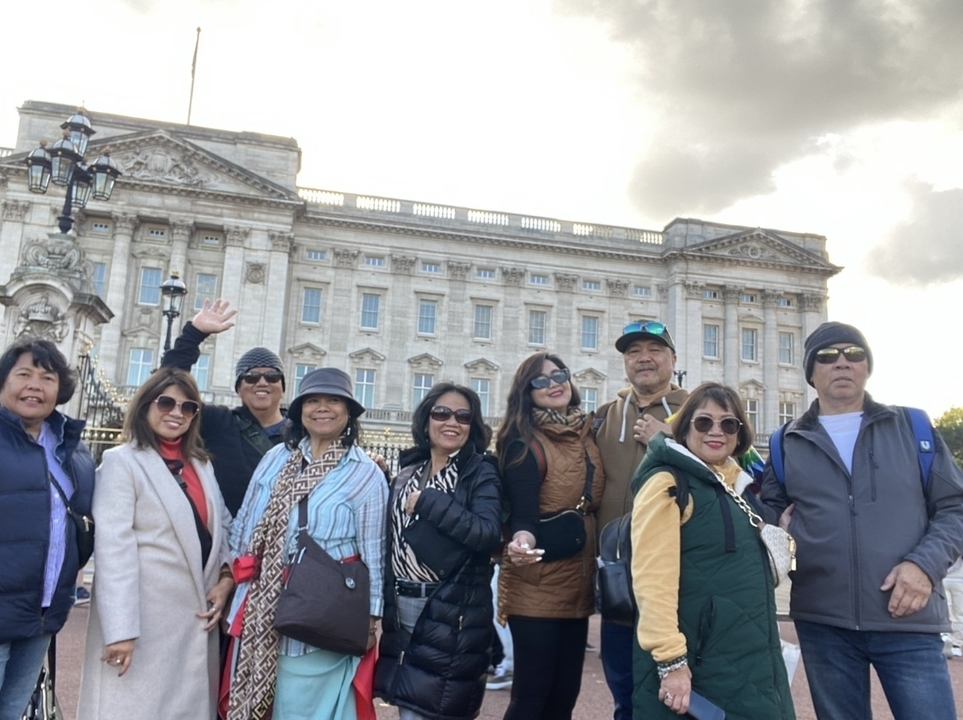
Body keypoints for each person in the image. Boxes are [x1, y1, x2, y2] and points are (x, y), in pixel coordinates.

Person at [760, 322, 963, 719]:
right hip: (823, 621)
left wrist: (924, 565)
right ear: (810, 372)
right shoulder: (784, 442)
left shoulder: (913, 427)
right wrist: (780, 534)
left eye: (853, 354)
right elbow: (768, 516)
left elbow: (955, 508)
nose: (841, 362)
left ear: (866, 367)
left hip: (908, 616)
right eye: (827, 356)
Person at [227, 368, 388, 720]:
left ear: (349, 412)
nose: (322, 408)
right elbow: (243, 527)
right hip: (260, 610)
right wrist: (228, 578)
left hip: (321, 615)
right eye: (313, 400)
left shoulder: (365, 474)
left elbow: (375, 554)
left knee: (304, 709)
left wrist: (372, 619)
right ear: (299, 410)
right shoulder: (275, 460)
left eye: (333, 400)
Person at [77, 367, 234, 720]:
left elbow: (223, 529)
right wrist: (119, 630)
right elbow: (114, 549)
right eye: (166, 403)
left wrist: (226, 580)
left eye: (188, 407)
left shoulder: (201, 465)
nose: (176, 413)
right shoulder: (122, 462)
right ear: (146, 406)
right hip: (144, 623)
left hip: (194, 624)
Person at [630, 383, 794, 718]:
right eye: (704, 422)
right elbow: (652, 581)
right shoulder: (667, 482)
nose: (716, 431)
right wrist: (671, 661)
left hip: (749, 655)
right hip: (698, 660)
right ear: (685, 426)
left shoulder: (737, 487)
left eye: (728, 423)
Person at [374, 382, 502, 719]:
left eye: (463, 416)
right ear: (426, 419)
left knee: (431, 709)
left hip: (449, 606)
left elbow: (487, 534)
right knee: (409, 705)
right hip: (399, 607)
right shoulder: (406, 474)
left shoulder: (479, 471)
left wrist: (430, 502)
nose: (452, 422)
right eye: (441, 413)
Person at [496, 352, 605, 720]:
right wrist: (521, 541)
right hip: (537, 585)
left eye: (559, 374)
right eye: (541, 381)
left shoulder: (587, 432)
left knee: (563, 698)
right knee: (531, 698)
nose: (554, 383)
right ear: (528, 393)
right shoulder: (523, 441)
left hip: (577, 584)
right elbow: (524, 513)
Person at [591, 320, 688, 720]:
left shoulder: (699, 413)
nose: (643, 358)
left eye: (654, 349)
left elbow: (731, 474)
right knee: (625, 696)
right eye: (633, 352)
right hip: (618, 583)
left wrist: (668, 441)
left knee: (680, 697)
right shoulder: (603, 416)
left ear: (673, 359)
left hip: (679, 583)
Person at [0, 338, 94, 720]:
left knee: (13, 710)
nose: (35, 386)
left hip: (42, 612)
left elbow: (83, 523)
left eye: (47, 377)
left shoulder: (72, 449)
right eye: (23, 375)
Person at [162, 299, 287, 515]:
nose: (262, 382)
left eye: (272, 376)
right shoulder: (219, 423)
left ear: (282, 386)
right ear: (239, 388)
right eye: (251, 377)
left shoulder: (303, 432)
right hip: (230, 541)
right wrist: (194, 334)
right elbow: (168, 388)